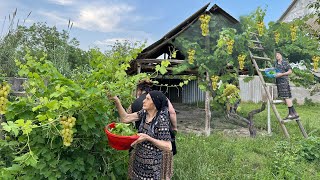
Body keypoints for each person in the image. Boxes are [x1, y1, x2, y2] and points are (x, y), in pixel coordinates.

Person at [109, 91, 173, 179]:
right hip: (138, 164)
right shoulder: (145, 113)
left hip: (151, 170)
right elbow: (125, 118)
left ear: (155, 103)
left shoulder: (161, 119)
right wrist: (117, 101)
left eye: (147, 99)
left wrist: (148, 138)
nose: (143, 101)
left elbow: (168, 146)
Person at [274, 52, 299, 119]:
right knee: (285, 97)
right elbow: (275, 72)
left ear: (281, 55)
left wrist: (281, 74)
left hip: (284, 82)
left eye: (278, 54)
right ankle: (294, 113)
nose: (277, 56)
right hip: (279, 83)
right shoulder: (275, 63)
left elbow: (290, 71)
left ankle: (291, 114)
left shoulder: (285, 62)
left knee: (286, 97)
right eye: (276, 55)